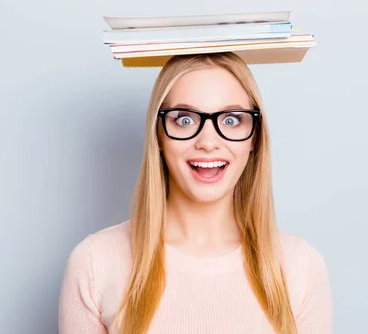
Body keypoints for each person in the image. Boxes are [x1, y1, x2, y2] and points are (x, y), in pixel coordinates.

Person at [59, 52, 333, 334]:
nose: (208, 142)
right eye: (185, 120)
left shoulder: (301, 266)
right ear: (159, 135)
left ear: (254, 137)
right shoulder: (94, 263)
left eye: (231, 120)